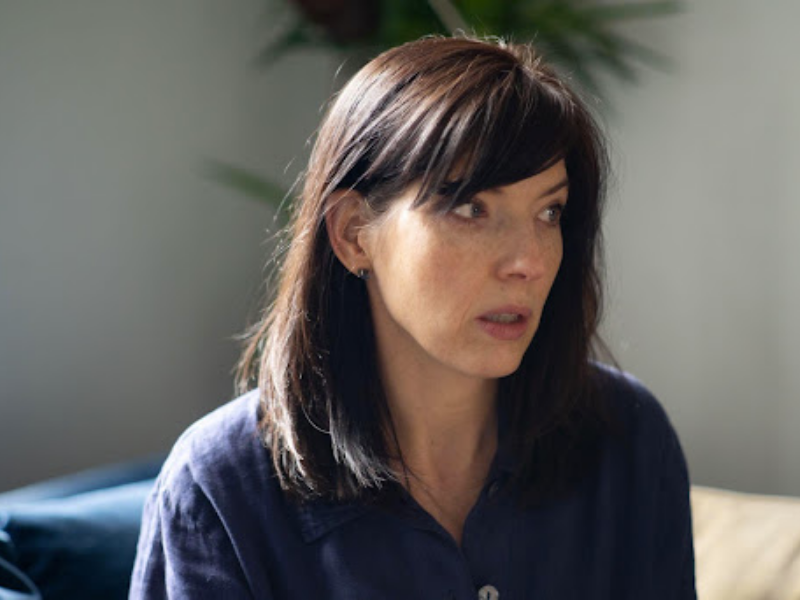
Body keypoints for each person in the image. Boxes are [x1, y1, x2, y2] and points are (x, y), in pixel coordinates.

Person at [130, 36, 696, 599]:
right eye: (472, 209)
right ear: (354, 234)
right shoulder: (221, 487)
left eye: (550, 212)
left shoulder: (627, 435)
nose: (528, 261)